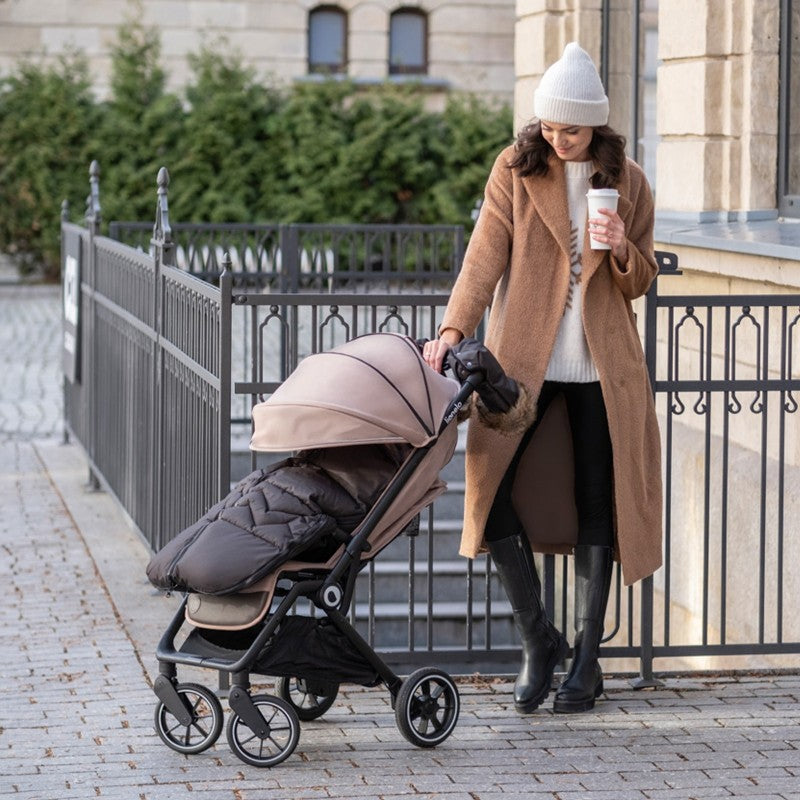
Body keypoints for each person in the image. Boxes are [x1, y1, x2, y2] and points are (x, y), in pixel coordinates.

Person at [422, 42, 662, 714]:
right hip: (523, 363)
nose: (559, 139)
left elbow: (641, 280)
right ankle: (539, 638)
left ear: (596, 125)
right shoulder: (517, 168)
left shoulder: (631, 182)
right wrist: (452, 330)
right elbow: (483, 257)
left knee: (598, 501)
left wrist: (621, 246)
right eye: (550, 126)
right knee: (488, 485)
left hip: (603, 367)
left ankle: (586, 658)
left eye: (572, 130)